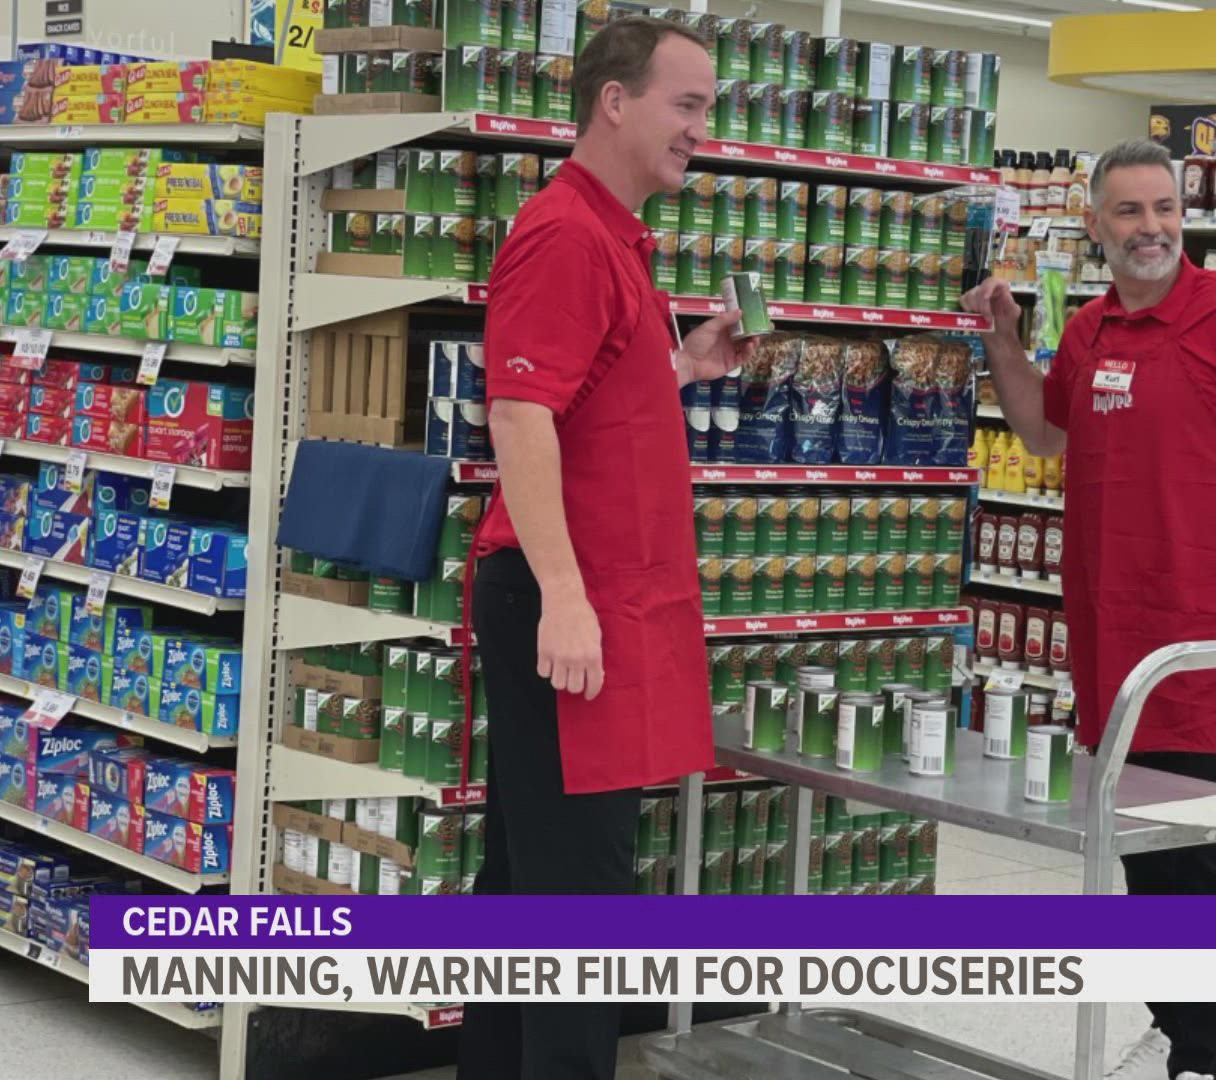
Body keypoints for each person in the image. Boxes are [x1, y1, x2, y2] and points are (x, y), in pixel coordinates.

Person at [962, 138, 1216, 1080]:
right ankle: (1174, 1031)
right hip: (1109, 633)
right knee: (1137, 848)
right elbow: (1042, 433)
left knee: (1196, 854)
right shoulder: (1087, 333)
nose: (1152, 227)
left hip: (1202, 640)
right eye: (1129, 212)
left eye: (1164, 208)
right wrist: (1005, 341)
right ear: (1095, 225)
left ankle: (1198, 1057)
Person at [457, 17, 740, 1080]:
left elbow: (586, 403)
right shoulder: (567, 231)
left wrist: (683, 370)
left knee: (529, 879)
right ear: (614, 103)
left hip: (589, 592)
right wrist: (565, 597)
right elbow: (520, 416)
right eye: (688, 104)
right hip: (567, 597)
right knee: (581, 899)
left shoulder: (615, 233)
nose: (699, 129)